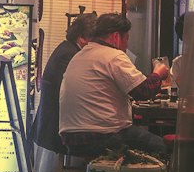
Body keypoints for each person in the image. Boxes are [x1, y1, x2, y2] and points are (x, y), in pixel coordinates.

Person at [59, 11, 170, 162]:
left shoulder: (80, 55)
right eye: (126, 39)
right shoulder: (113, 55)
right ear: (116, 37)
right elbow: (144, 91)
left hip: (70, 138)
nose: (126, 45)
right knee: (166, 149)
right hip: (102, 136)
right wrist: (158, 73)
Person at [31, 13, 96, 155]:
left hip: (54, 124)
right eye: (94, 40)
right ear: (82, 38)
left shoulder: (67, 49)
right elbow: (74, 92)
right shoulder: (70, 55)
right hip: (56, 128)